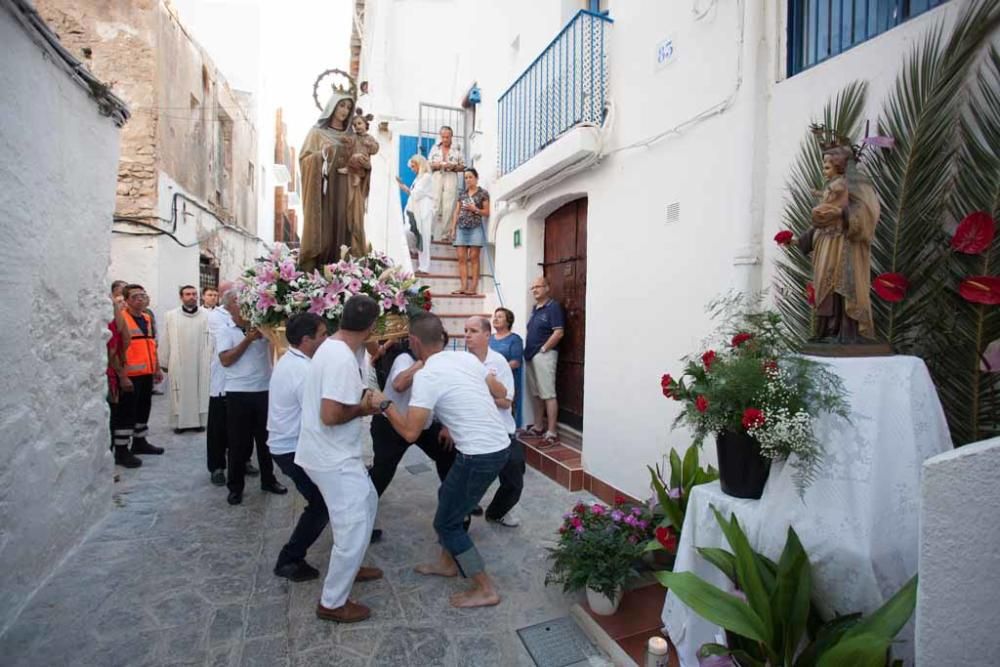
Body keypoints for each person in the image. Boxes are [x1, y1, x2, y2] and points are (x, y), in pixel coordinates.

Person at [379, 313, 510, 608]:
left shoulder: (426, 375)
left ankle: (485, 587)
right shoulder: (466, 359)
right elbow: (500, 391)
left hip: (480, 455)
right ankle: (447, 562)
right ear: (444, 338)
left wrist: (384, 405)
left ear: (413, 341)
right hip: (497, 446)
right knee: (447, 495)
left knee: (447, 523)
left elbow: (411, 433)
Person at [295, 295, 384, 623]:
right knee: (354, 524)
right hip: (330, 456)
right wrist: (366, 407)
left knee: (369, 500)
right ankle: (332, 602)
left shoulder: (334, 347)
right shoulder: (340, 358)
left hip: (332, 451)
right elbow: (331, 414)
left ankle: (354, 565)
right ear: (372, 326)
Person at [267, 314, 331, 581]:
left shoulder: (294, 361)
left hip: (289, 445)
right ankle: (289, 559)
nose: (326, 339)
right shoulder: (302, 371)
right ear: (306, 340)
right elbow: (320, 417)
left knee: (326, 500)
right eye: (323, 334)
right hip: (292, 449)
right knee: (320, 504)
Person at [215, 289, 287, 505]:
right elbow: (226, 360)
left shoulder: (262, 327)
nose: (244, 305)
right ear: (230, 307)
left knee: (266, 441)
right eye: (238, 301)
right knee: (238, 443)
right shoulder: (225, 330)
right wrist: (247, 340)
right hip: (238, 392)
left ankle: (269, 479)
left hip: (264, 390)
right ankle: (235, 487)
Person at [368, 338, 455, 500]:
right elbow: (399, 385)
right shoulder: (404, 359)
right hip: (392, 424)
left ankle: (454, 498)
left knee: (449, 453)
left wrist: (447, 425)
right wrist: (423, 362)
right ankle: (362, 508)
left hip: (423, 424)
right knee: (382, 471)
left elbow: (446, 395)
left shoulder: (443, 364)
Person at [465, 317, 523, 528]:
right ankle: (462, 516)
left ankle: (497, 512)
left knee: (514, 480)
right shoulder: (463, 362)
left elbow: (506, 402)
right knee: (468, 480)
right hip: (473, 433)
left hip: (502, 431)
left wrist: (481, 398)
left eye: (473, 331)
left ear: (487, 335)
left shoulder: (498, 362)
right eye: (465, 331)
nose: (467, 335)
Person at [299, 91, 357, 271]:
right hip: (323, 190)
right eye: (341, 105)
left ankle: (341, 269)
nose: (345, 110)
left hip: (345, 188)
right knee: (323, 229)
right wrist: (321, 155)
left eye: (348, 107)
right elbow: (304, 159)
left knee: (344, 229)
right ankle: (318, 268)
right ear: (332, 107)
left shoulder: (352, 136)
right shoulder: (317, 133)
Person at [116, 284, 166, 462]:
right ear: (127, 300)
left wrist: (156, 368)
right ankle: (121, 449)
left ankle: (140, 441)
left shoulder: (146, 318)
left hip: (146, 373)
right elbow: (117, 349)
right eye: (135, 296)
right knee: (126, 412)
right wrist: (122, 375)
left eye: (142, 295)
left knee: (143, 409)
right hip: (130, 375)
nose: (140, 299)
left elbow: (151, 344)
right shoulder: (122, 319)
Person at [160, 285, 211, 434]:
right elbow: (166, 338)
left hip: (201, 359)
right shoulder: (171, 315)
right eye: (188, 294)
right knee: (179, 390)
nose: (192, 297)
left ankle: (200, 422)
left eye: (194, 294)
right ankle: (179, 424)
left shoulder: (207, 315)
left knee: (200, 389)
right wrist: (164, 360)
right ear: (181, 297)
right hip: (179, 359)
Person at [524, 276, 565, 447]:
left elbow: (559, 332)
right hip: (531, 355)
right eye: (532, 287)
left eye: (538, 287)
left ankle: (552, 432)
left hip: (544, 355)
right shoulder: (535, 308)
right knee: (537, 394)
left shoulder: (553, 307)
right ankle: (539, 426)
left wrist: (543, 349)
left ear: (547, 288)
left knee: (548, 394)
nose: (535, 290)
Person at [108, 281, 140, 468]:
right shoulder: (115, 322)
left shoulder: (127, 320)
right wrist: (122, 374)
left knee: (131, 413)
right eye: (118, 298)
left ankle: (124, 448)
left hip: (130, 371)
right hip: (119, 373)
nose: (121, 302)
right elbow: (113, 350)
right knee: (119, 416)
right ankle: (119, 452)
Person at [340, 109, 378, 257]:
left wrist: (370, 145)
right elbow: (347, 143)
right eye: (355, 124)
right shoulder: (354, 137)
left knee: (357, 157)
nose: (357, 126)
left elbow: (375, 148)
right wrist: (345, 139)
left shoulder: (369, 138)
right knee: (354, 157)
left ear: (366, 124)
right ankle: (352, 173)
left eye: (360, 123)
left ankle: (353, 173)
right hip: (355, 166)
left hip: (363, 164)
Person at [205, 281, 233, 485]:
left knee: (240, 427)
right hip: (222, 381)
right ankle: (216, 466)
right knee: (218, 427)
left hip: (242, 383)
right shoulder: (215, 317)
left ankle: (242, 460)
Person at [449, 168, 490, 296]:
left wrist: (475, 209)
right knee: (461, 258)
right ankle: (463, 286)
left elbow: (487, 212)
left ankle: (473, 287)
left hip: (475, 228)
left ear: (476, 178)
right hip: (461, 228)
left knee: (474, 257)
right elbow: (456, 211)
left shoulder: (483, 193)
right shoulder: (462, 194)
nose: (468, 180)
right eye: (466, 177)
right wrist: (453, 228)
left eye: (470, 177)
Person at [397, 154, 435, 275]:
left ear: (420, 165)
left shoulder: (427, 177)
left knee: (423, 237)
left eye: (414, 166)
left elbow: (416, 194)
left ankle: (424, 267)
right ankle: (414, 249)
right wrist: (403, 186)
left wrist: (403, 187)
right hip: (415, 210)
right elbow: (414, 193)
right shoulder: (418, 178)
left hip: (424, 210)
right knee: (411, 232)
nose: (412, 169)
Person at [489, 307, 524, 428]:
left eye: (500, 317)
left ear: (508, 321)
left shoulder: (514, 339)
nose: (495, 319)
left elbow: (516, 362)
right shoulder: (489, 338)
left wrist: (498, 371)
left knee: (506, 412)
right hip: (489, 380)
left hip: (506, 381)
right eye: (495, 316)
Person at [428, 125, 464, 242]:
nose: (445, 139)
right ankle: (430, 232)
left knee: (449, 205)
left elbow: (463, 166)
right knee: (434, 204)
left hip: (451, 176)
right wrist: (437, 165)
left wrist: (453, 166)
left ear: (451, 136)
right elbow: (428, 165)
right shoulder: (434, 148)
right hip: (437, 176)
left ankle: (445, 234)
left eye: (447, 137)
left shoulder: (457, 150)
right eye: (443, 137)